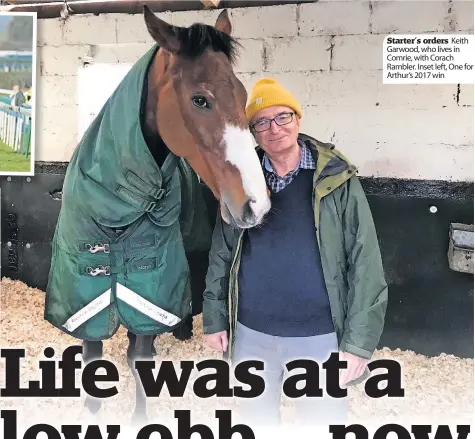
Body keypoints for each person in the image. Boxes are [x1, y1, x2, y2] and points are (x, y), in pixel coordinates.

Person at [202, 78, 388, 427]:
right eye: (261, 122)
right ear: (253, 132)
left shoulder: (337, 179)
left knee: (321, 424)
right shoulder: (240, 181)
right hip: (251, 332)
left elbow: (365, 261)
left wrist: (358, 344)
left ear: (298, 119)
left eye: (282, 117)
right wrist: (214, 317)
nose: (274, 129)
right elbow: (221, 253)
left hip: (319, 335)